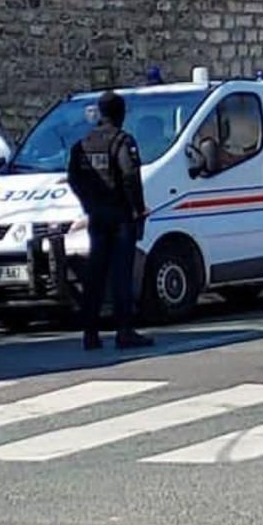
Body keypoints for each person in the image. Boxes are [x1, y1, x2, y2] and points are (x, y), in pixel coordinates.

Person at [67, 91, 153, 351]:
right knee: (120, 274)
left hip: (97, 216)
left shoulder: (83, 143)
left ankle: (90, 334)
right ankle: (124, 331)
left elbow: (74, 178)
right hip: (120, 217)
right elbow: (129, 175)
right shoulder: (122, 141)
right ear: (121, 113)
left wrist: (90, 205)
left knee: (95, 275)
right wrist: (137, 209)